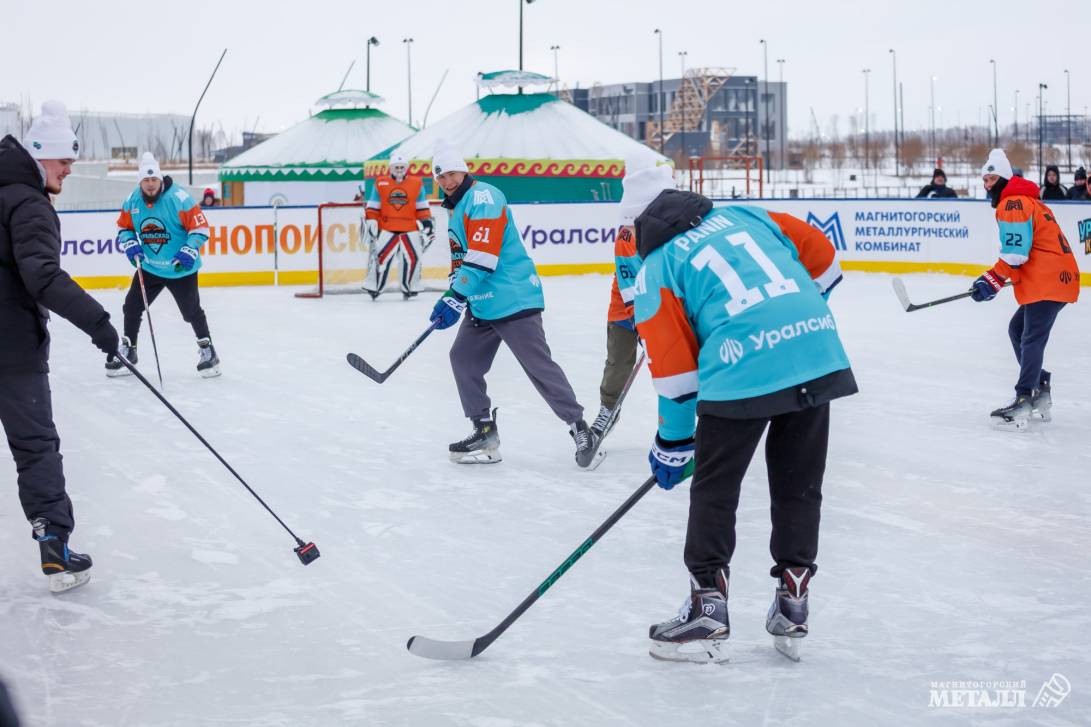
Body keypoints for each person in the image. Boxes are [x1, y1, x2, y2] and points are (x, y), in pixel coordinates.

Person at [627, 178, 856, 664]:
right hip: (815, 348)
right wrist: (787, 326)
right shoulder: (747, 214)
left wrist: (673, 442)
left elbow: (675, 375)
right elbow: (826, 263)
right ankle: (793, 604)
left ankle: (707, 609)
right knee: (799, 484)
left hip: (740, 365)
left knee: (715, 487)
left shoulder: (655, 267)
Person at [0, 100, 120, 593]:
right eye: (64, 161)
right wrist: (99, 323)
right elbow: (43, 276)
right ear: (39, 157)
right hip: (13, 352)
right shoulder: (29, 204)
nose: (70, 169)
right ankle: (55, 548)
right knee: (36, 448)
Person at [428, 142, 594, 467]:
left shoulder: (483, 197)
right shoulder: (458, 207)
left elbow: (483, 255)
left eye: (451, 173)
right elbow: (462, 258)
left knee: (538, 366)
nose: (447, 181)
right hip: (483, 302)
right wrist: (456, 291)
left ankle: (580, 428)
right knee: (463, 358)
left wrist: (455, 294)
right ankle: (484, 430)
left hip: (512, 297)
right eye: (440, 176)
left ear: (463, 170)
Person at [972, 149, 1080, 429]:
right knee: (1018, 331)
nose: (987, 185)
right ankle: (1040, 386)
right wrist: (993, 280)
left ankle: (1024, 398)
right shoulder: (1029, 201)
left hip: (1049, 282)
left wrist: (990, 280)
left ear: (1004, 178)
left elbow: (1015, 254)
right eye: (984, 179)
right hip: (1055, 279)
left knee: (1030, 337)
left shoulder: (1014, 203)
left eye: (991, 178)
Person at [106, 153, 219, 378]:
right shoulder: (132, 201)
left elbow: (201, 228)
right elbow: (124, 227)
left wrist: (190, 247)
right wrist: (130, 243)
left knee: (191, 312)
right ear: (140, 182)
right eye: (146, 181)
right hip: (149, 268)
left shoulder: (179, 198)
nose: (150, 185)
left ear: (160, 179)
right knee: (131, 306)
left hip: (180, 268)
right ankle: (129, 349)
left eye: (153, 180)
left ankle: (208, 351)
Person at [589, 159, 663, 442]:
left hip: (663, 305)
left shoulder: (668, 222)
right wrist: (642, 321)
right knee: (618, 363)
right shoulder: (626, 231)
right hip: (625, 308)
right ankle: (609, 409)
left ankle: (679, 416)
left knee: (670, 363)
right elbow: (630, 285)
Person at [363, 152, 435, 300]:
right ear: (391, 168)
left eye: (402, 167)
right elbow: (373, 205)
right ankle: (374, 287)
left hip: (410, 228)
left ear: (406, 168)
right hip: (387, 227)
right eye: (397, 167)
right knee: (380, 258)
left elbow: (421, 205)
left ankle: (410, 287)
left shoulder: (416, 183)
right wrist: (371, 219)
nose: (400, 170)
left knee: (413, 258)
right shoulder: (381, 182)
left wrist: (426, 221)